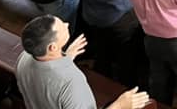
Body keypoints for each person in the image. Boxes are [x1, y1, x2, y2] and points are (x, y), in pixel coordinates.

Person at [16, 15, 150, 109]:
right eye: (62, 27)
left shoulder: (24, 58)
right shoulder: (71, 83)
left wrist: (66, 59)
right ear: (53, 47)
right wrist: (119, 105)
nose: (66, 24)